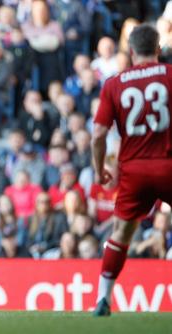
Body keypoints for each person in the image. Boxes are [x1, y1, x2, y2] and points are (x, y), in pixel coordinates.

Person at [91, 24, 172, 316]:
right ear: (159, 50)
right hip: (169, 163)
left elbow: (99, 134)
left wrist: (99, 169)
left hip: (134, 170)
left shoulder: (114, 83)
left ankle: (103, 298)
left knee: (121, 232)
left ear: (131, 51)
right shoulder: (171, 75)